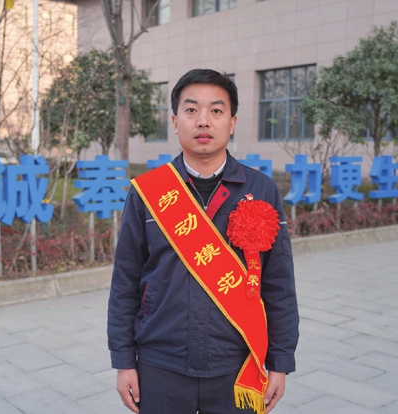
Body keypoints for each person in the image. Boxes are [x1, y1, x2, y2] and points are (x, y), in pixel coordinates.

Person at [107, 68, 299, 414]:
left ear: (232, 122)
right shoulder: (149, 193)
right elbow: (125, 281)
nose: (203, 121)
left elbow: (279, 283)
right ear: (174, 121)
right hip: (160, 363)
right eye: (191, 110)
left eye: (216, 110)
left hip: (237, 363)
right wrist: (123, 361)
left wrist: (280, 362)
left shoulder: (261, 190)